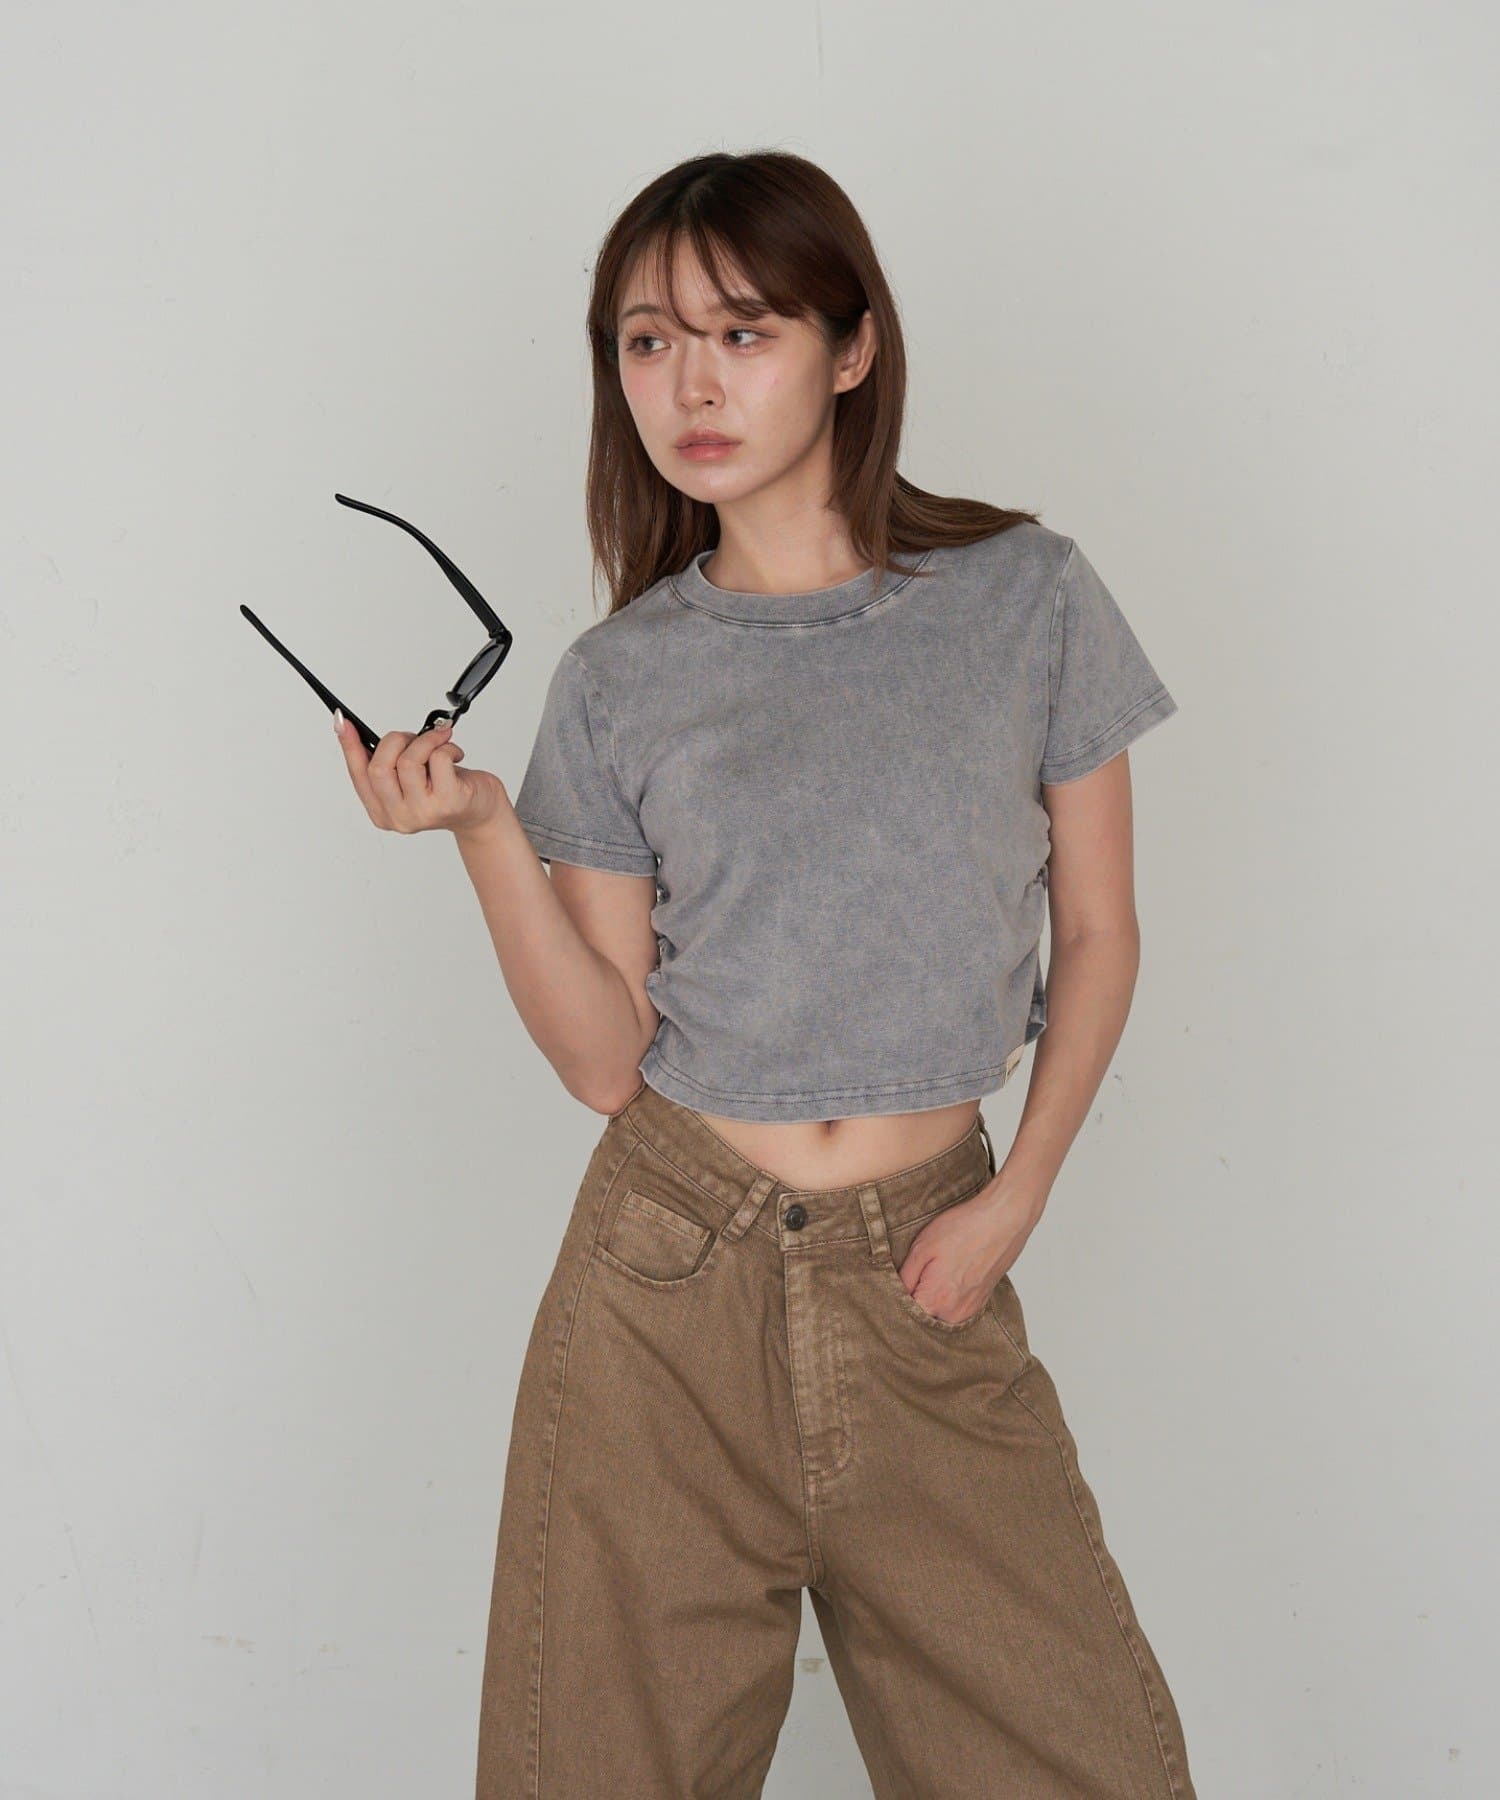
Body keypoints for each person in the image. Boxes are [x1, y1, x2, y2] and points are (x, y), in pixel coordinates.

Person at [334, 150, 1197, 1800]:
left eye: (744, 332)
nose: (693, 385)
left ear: (851, 347)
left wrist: (1018, 1195)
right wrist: (485, 831)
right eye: (649, 342)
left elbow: (1100, 932)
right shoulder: (620, 678)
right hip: (665, 1290)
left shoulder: (1026, 598)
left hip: (930, 1269)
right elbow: (608, 1059)